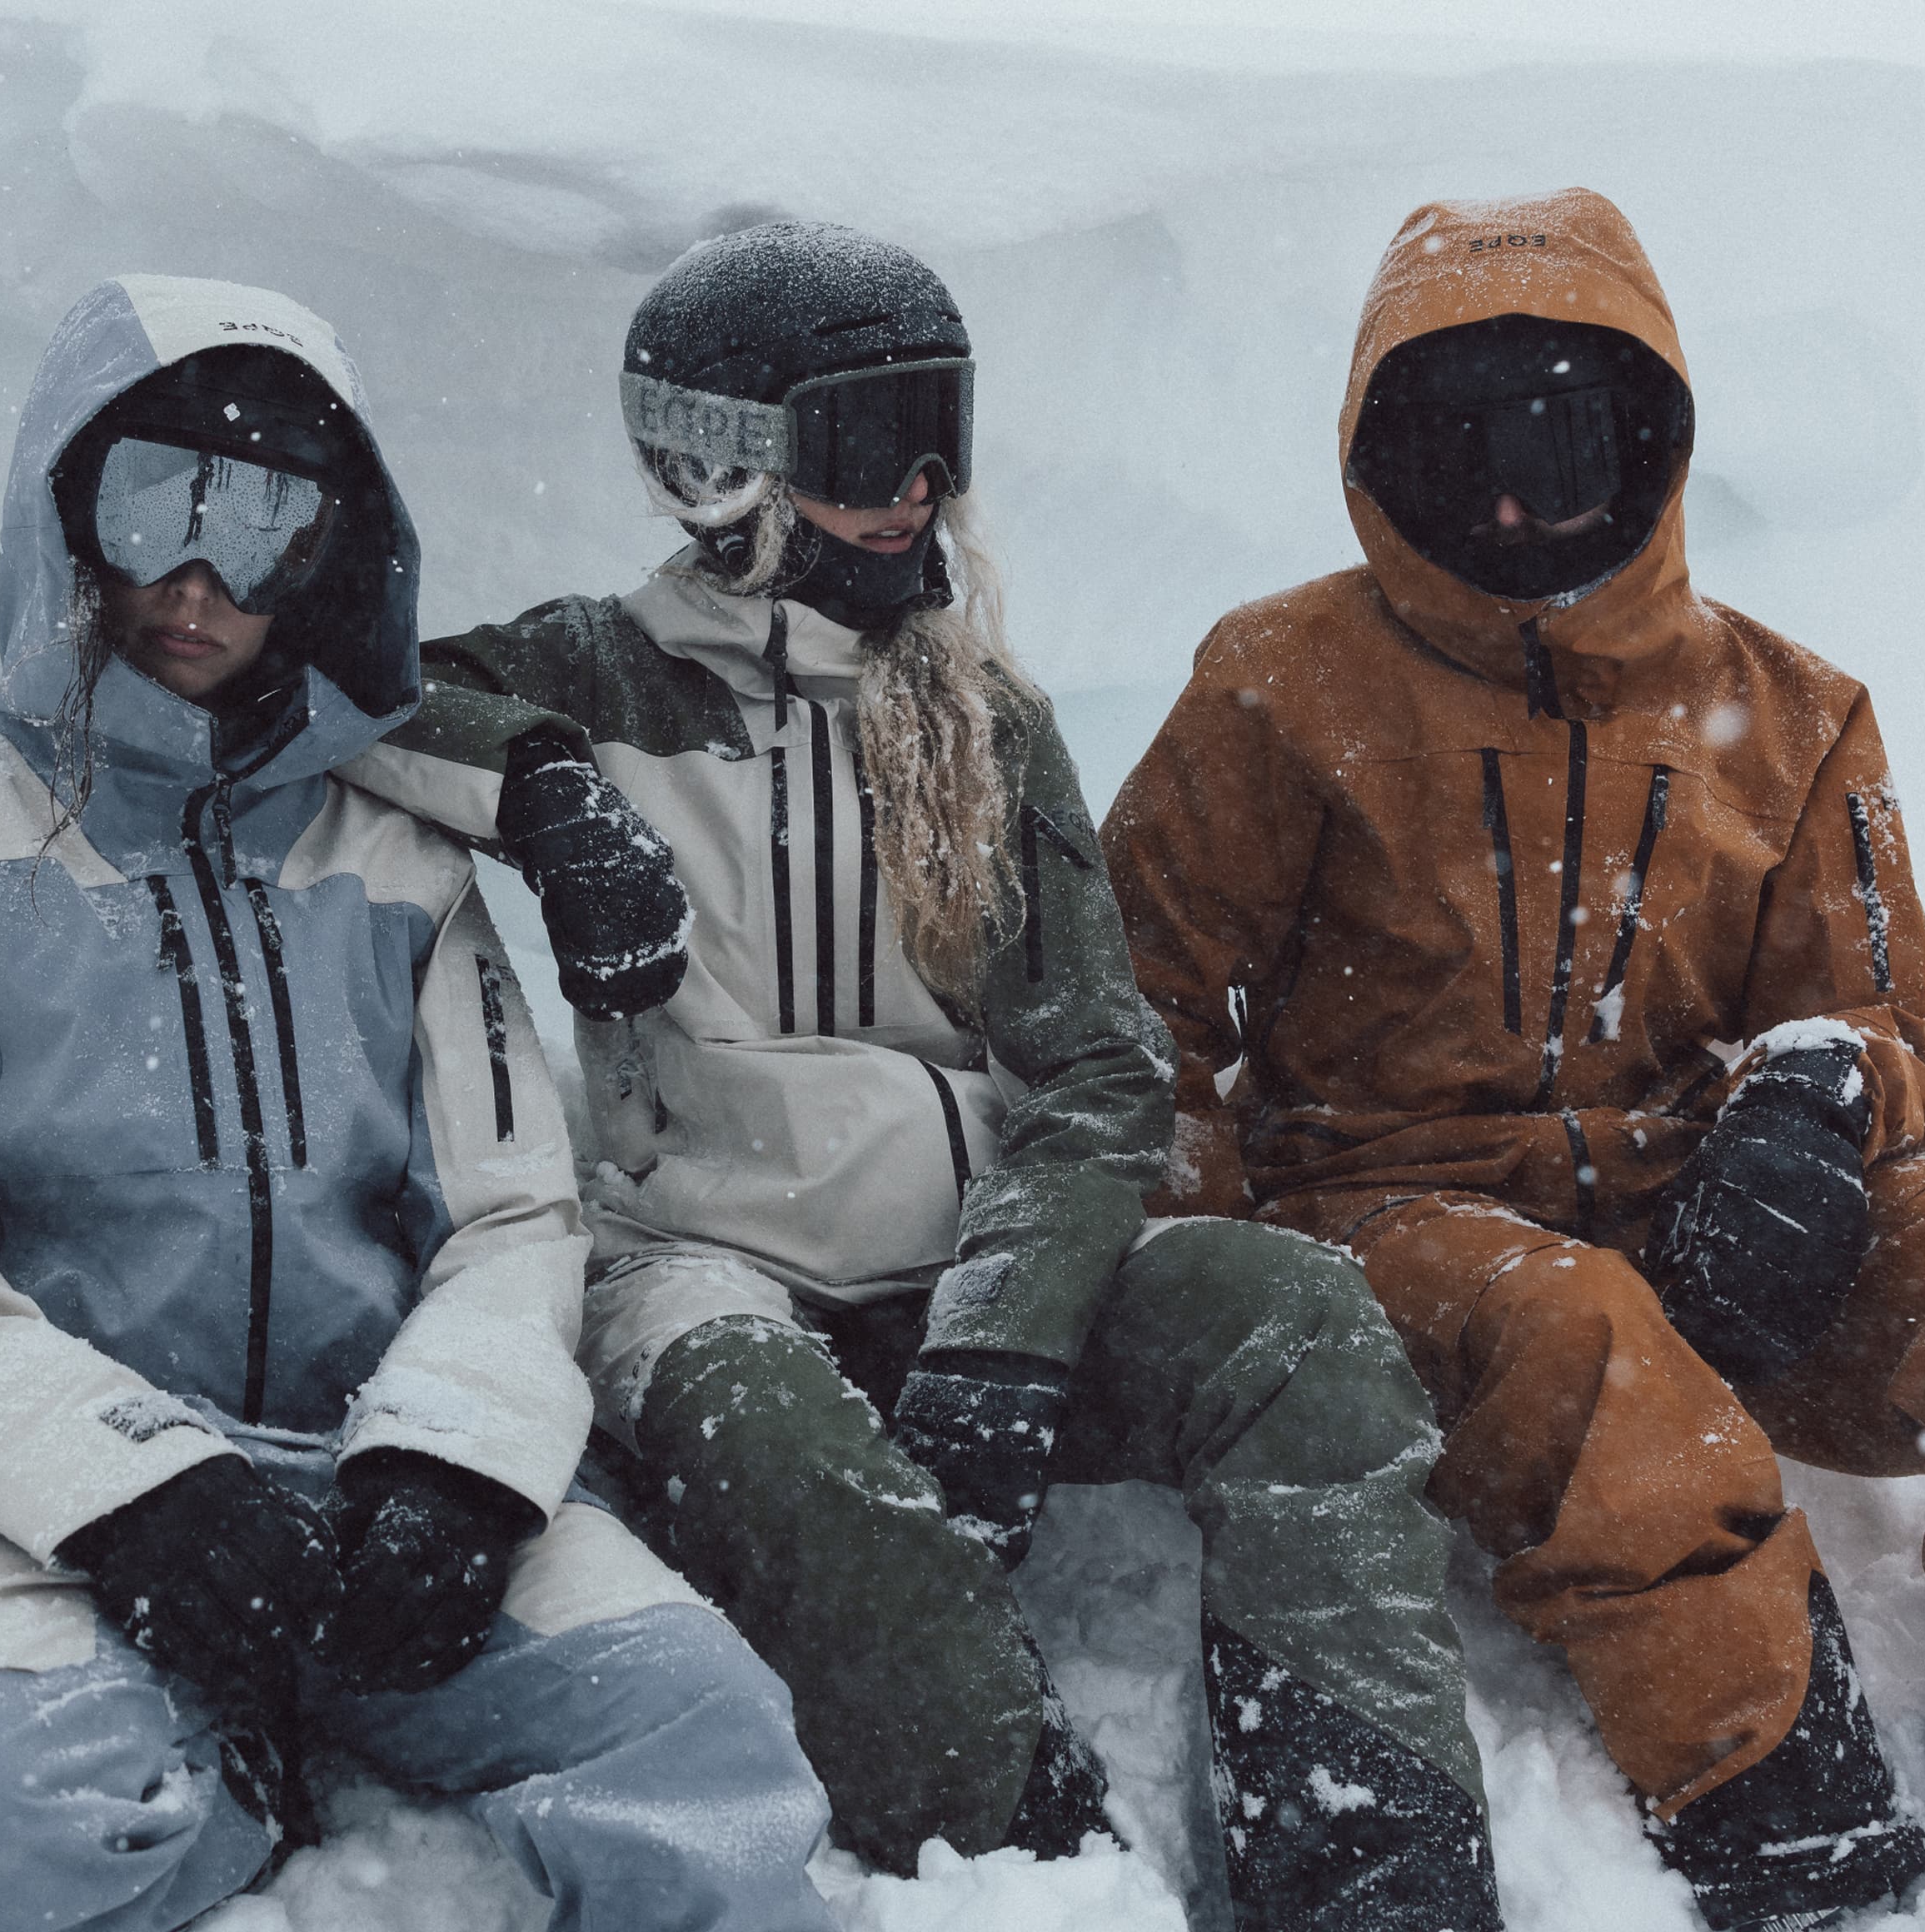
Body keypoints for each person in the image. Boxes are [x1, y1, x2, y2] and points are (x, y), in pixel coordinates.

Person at [336, 220, 1504, 1932]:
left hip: (970, 1261)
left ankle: (1376, 1869)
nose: (920, 492)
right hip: (704, 1265)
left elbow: (1103, 1062)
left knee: (1299, 1324)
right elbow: (360, 702)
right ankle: (1038, 1872)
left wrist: (1010, 1326)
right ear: (717, 471)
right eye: (870, 445)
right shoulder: (598, 678)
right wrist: (544, 793)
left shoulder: (981, 718)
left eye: (942, 432)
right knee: (801, 1463)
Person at [1101, 186, 1925, 1932]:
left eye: (1567, 440)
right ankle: (1784, 1805)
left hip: (1721, 1230)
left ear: (1653, 437)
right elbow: (1135, 1004)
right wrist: (1223, 1244)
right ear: (1386, 458)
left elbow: (1891, 1017)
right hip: (1406, 1223)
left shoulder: (1791, 706)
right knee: (1579, 1330)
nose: (1519, 499)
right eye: (1463, 453)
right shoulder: (1281, 688)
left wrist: (1822, 1099)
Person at [0, 273, 835, 1932]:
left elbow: (509, 1215)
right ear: (69, 520)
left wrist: (454, 1474)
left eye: (260, 522)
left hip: (376, 1478)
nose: (197, 578)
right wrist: (133, 1490)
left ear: (328, 553)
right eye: (150, 504)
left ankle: (316, 1686)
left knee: (715, 1761)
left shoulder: (393, 861)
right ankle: (233, 1779)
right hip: (39, 1506)